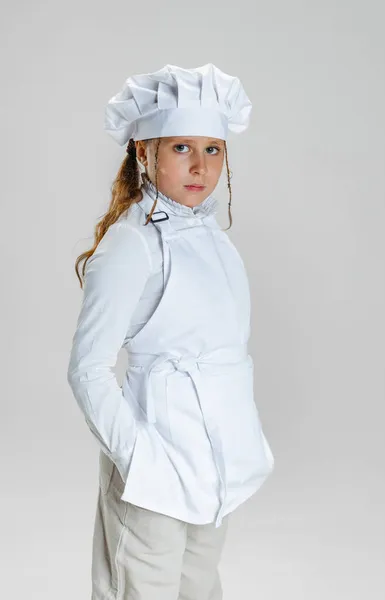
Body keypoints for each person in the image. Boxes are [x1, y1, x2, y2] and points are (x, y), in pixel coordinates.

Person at [67, 63, 275, 600]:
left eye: (213, 149)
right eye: (182, 147)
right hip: (155, 461)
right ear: (145, 153)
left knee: (199, 589)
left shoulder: (216, 241)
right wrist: (137, 455)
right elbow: (88, 369)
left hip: (214, 464)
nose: (200, 166)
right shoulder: (130, 245)